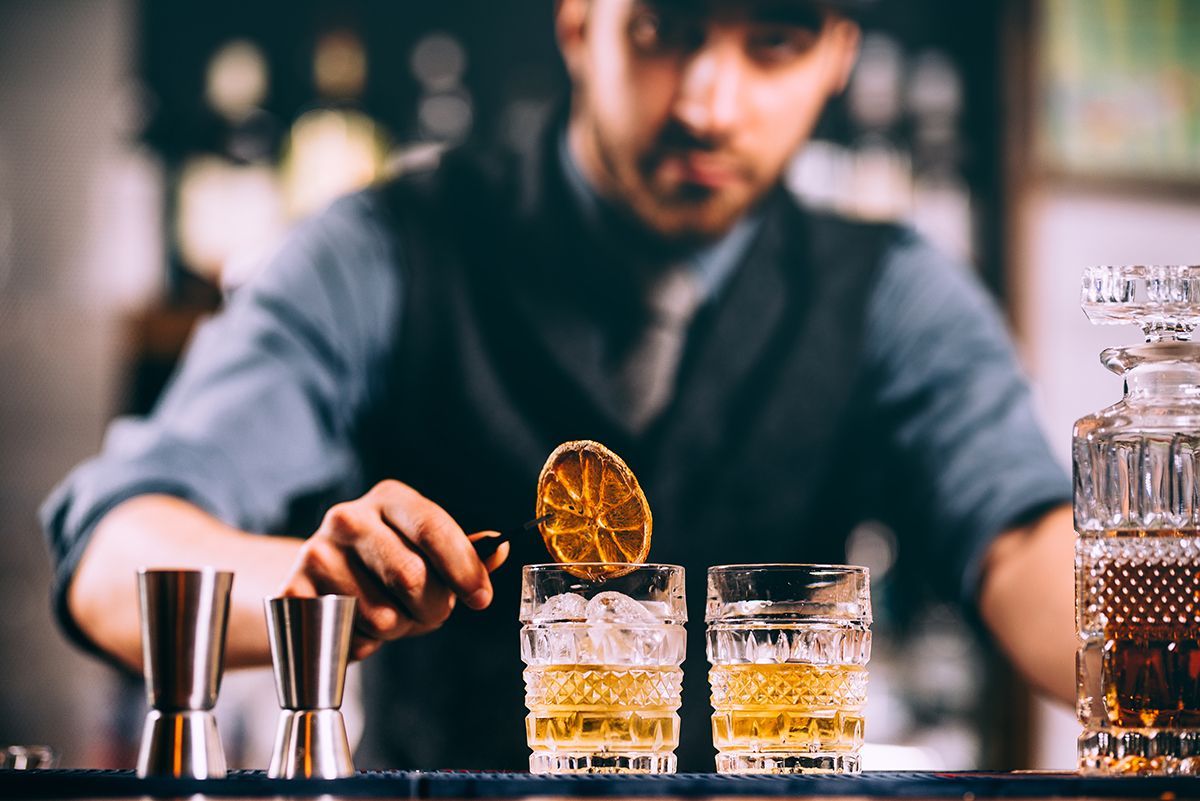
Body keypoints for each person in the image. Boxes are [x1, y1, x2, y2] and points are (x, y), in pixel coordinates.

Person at [43, 0, 1077, 770]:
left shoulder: (893, 293)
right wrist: (309, 586)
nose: (709, 104)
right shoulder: (389, 250)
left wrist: (1150, 622)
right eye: (664, 28)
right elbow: (112, 553)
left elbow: (1024, 545)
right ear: (580, 21)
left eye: (776, 40)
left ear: (838, 56)